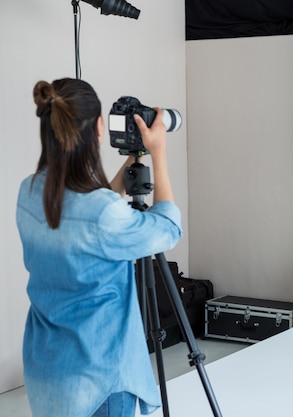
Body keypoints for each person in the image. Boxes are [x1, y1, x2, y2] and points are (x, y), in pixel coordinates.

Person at [16, 78, 182, 417]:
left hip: (48, 374)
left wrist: (132, 160)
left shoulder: (29, 192)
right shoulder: (102, 213)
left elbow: (85, 222)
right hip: (100, 381)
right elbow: (167, 228)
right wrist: (159, 153)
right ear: (100, 128)